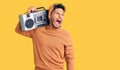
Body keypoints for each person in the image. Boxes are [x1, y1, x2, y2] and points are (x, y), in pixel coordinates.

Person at [15, 3, 74, 70]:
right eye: (57, 13)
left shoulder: (66, 35)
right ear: (50, 15)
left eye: (62, 14)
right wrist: (28, 14)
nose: (60, 16)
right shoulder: (37, 30)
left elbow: (70, 58)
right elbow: (18, 29)